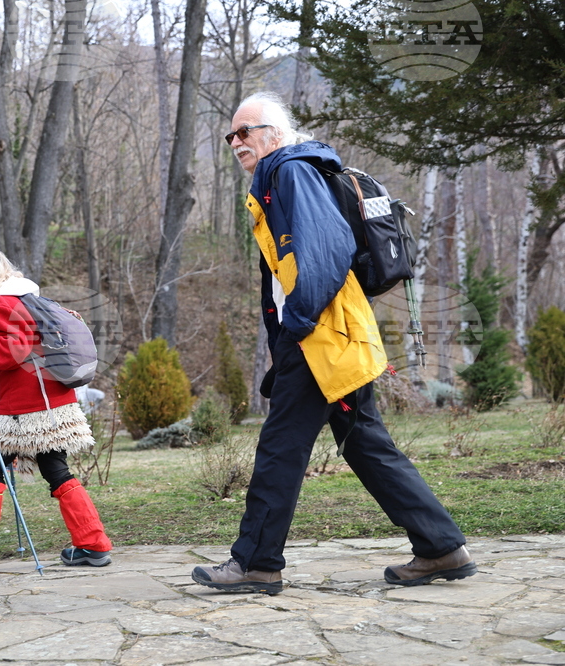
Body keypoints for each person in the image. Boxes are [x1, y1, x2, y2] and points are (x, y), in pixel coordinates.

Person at [191, 92, 476, 595]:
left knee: (279, 449)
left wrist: (296, 326)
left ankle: (256, 563)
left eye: (246, 131)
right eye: (231, 135)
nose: (236, 142)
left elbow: (328, 251)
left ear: (274, 134)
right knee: (366, 444)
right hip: (334, 337)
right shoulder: (282, 175)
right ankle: (440, 547)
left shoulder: (289, 171)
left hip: (321, 338)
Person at [0, 247, 112, 571]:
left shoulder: (1, 303)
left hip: (23, 405)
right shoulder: (29, 300)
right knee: (57, 471)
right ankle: (92, 543)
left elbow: (12, 350)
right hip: (49, 400)